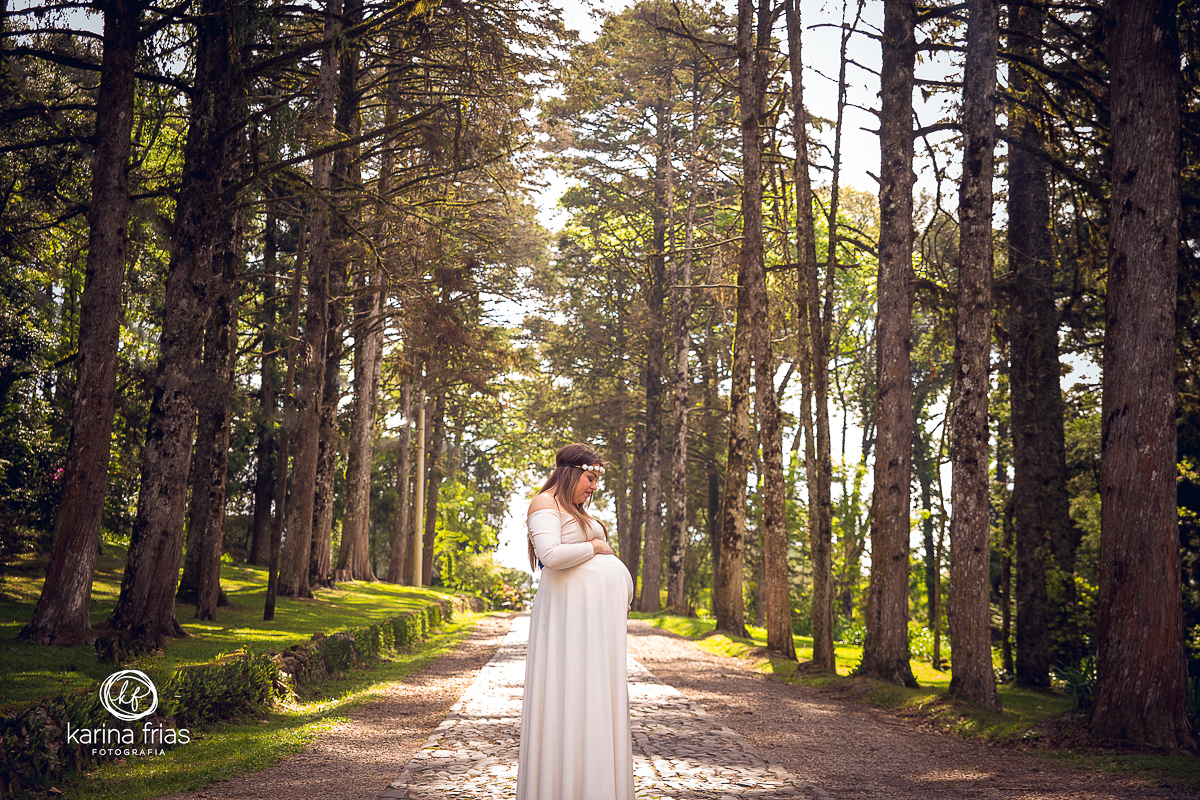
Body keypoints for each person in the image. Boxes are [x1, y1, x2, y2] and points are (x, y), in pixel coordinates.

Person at [516, 443, 636, 800]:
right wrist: (597, 549)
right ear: (570, 471)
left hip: (593, 624)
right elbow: (550, 556)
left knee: (597, 698)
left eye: (597, 479)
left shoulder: (577, 511)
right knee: (570, 696)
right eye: (590, 477)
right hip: (569, 623)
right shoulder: (545, 504)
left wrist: (618, 592)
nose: (594, 486)